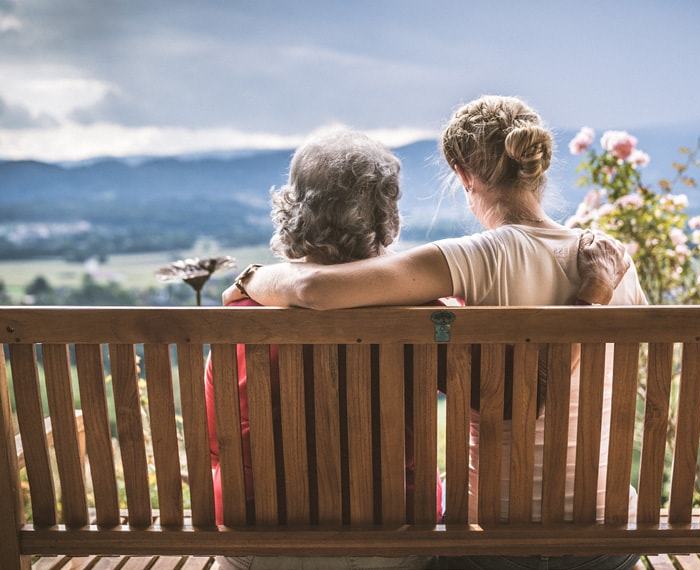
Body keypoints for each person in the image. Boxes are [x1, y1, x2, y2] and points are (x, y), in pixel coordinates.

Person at [225, 95, 645, 570]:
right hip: (610, 544)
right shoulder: (612, 260)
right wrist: (592, 293)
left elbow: (313, 290)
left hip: (494, 545)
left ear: (464, 175)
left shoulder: (473, 258)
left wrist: (249, 279)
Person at [207, 129, 443, 570]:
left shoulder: (242, 310)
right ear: (386, 214)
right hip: (393, 543)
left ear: (293, 208)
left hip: (258, 546)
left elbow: (217, 445)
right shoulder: (425, 310)